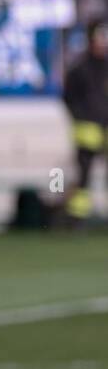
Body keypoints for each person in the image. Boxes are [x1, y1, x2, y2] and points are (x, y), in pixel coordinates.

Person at [62, 23, 108, 222]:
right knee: (84, 176)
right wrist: (80, 117)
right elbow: (68, 97)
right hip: (87, 129)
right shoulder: (81, 68)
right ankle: (77, 218)